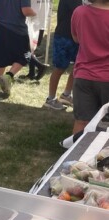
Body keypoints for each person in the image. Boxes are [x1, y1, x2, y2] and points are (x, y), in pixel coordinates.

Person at [70, 0, 109, 134]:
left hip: (84, 75)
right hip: (106, 77)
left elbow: (76, 38)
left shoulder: (79, 11)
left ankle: (76, 153)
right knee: (106, 123)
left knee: (82, 121)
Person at [0, 0, 36, 96]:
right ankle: (9, 76)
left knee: (0, 56)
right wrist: (35, 13)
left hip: (1, 27)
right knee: (27, 55)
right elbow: (26, 11)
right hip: (17, 30)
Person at [43, 0, 82, 110]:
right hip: (64, 37)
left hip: (76, 37)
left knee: (77, 66)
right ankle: (51, 99)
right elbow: (81, 10)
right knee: (60, 68)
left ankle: (66, 95)